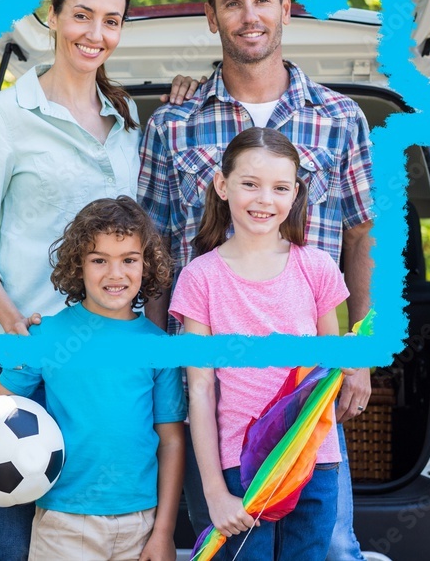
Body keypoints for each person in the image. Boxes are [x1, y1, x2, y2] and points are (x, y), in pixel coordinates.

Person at [0, 0, 195, 561]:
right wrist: (13, 322)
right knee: (15, 545)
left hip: (108, 361)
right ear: (52, 16)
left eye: (111, 21)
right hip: (24, 357)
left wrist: (176, 113)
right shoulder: (2, 116)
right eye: (82, 15)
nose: (95, 33)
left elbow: (141, 221)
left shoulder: (130, 119)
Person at [137, 0, 373, 560]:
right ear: (212, 18)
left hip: (307, 392)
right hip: (216, 393)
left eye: (263, 0)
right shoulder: (173, 123)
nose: (250, 15)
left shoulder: (341, 117)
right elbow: (155, 252)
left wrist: (359, 358)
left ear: (286, 9)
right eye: (232, 3)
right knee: (230, 537)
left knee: (330, 545)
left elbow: (364, 233)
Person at [0, 196, 187, 561]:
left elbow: (172, 441)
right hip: (63, 523)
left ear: (146, 266)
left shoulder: (160, 348)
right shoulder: (46, 337)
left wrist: (163, 531)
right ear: (78, 266)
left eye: (129, 260)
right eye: (99, 260)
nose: (115, 274)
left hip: (140, 523)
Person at [170, 127, 353, 560]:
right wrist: (214, 493)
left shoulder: (317, 267)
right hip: (242, 465)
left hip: (314, 458)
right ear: (222, 185)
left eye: (279, 188)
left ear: (294, 195)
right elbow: (200, 390)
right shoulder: (200, 277)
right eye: (250, 184)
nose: (264, 199)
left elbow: (333, 367)